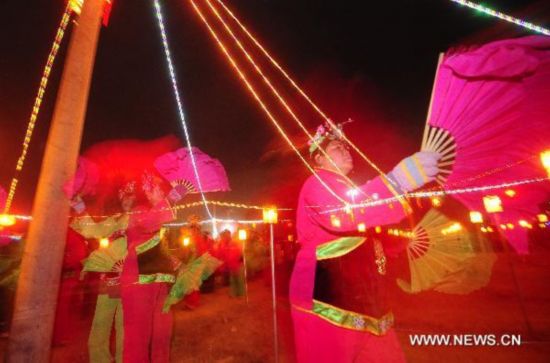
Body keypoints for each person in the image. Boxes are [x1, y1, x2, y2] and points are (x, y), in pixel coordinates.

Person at [290, 122, 440, 362]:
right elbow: (341, 215)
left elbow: (368, 238)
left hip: (368, 298)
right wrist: (396, 182)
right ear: (318, 159)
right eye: (338, 147)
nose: (347, 151)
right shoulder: (316, 183)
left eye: (347, 147)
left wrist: (402, 245)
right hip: (328, 298)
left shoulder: (350, 189)